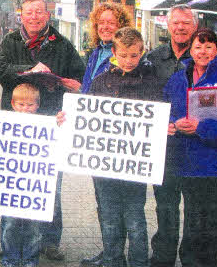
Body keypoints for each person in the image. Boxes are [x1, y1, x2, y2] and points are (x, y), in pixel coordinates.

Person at [58, 27, 160, 267]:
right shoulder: (101, 81)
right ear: (113, 52)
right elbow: (85, 113)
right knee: (109, 218)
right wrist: (67, 118)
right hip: (104, 166)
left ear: (142, 52)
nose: (128, 61)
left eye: (134, 55)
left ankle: (138, 263)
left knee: (135, 219)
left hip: (135, 166)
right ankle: (113, 261)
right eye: (123, 55)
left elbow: (157, 116)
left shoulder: (151, 82)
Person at [0, 0, 84, 262]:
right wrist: (30, 69)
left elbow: (79, 76)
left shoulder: (62, 44)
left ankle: (50, 240)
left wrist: (65, 82)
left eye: (39, 13)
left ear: (48, 15)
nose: (34, 17)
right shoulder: (10, 41)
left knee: (49, 184)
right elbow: (1, 70)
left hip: (49, 122)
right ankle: (8, 241)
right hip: (17, 121)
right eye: (29, 13)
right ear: (21, 15)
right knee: (12, 183)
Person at [163, 28, 217, 267]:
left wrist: (201, 128)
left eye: (208, 46)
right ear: (191, 49)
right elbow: (166, 110)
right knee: (192, 220)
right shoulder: (178, 79)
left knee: (212, 221)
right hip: (187, 163)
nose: (203, 51)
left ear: (216, 49)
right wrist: (172, 125)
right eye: (198, 46)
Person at [79, 2, 133, 267]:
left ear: (121, 25)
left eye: (111, 22)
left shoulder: (126, 56)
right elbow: (87, 91)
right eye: (101, 23)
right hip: (95, 136)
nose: (105, 27)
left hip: (117, 140)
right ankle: (110, 250)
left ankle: (116, 256)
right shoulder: (95, 53)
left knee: (117, 202)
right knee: (103, 200)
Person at [146, 4, 197, 267]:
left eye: (186, 23)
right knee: (165, 206)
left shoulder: (205, 56)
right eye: (176, 22)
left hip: (196, 148)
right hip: (164, 147)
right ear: (168, 25)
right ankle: (163, 257)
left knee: (194, 210)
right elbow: (146, 97)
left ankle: (190, 259)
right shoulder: (154, 58)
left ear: (195, 26)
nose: (180, 27)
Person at [0, 82, 48, 267]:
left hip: (34, 187)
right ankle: (10, 258)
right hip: (10, 187)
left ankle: (30, 259)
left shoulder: (45, 126)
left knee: (34, 226)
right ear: (12, 103)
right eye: (21, 104)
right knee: (10, 224)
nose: (25, 109)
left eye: (30, 105)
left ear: (38, 105)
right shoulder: (4, 125)